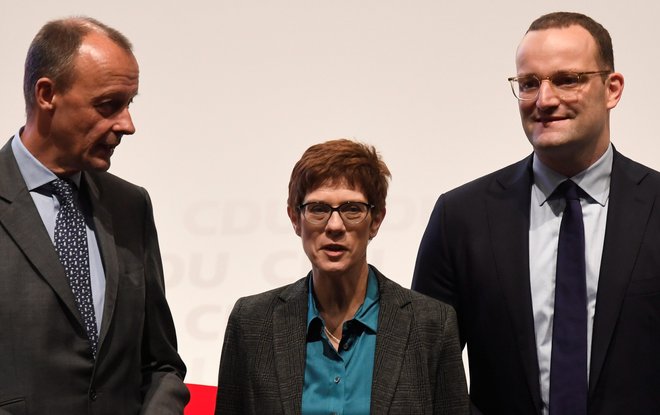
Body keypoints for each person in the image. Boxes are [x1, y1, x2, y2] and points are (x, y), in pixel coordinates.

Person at [412, 11, 660, 415]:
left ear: (612, 89)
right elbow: (423, 372)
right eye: (529, 84)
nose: (545, 100)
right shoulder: (460, 218)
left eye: (567, 80)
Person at [0, 17, 188, 414]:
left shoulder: (130, 206)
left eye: (128, 104)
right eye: (108, 105)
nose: (127, 124)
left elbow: (161, 364)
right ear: (47, 94)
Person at [215, 139, 469, 414]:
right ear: (294, 218)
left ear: (376, 220)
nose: (335, 226)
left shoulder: (431, 325)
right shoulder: (251, 323)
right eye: (318, 209)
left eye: (352, 210)